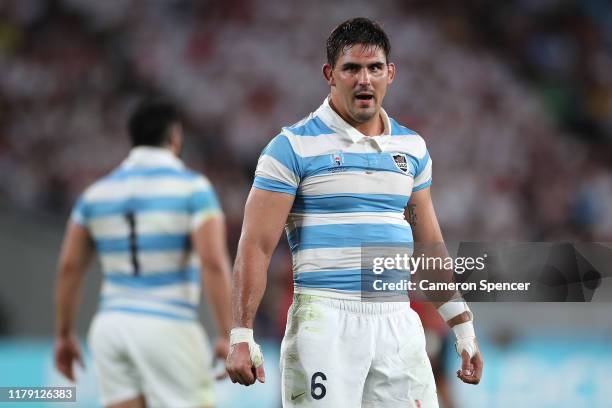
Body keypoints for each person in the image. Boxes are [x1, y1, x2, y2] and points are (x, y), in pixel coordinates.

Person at [226, 17, 483, 407]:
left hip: (397, 320)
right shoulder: (291, 147)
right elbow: (256, 246)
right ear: (330, 74)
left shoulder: (412, 149)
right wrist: (241, 334)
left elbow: (429, 243)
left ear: (390, 73)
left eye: (374, 68)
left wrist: (462, 326)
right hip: (325, 319)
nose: (365, 79)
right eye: (352, 68)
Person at [54, 99, 233, 408]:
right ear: (175, 136)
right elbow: (213, 262)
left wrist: (65, 334)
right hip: (169, 326)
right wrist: (229, 334)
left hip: (111, 327)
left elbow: (70, 266)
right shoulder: (193, 189)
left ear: (132, 137)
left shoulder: (95, 195)